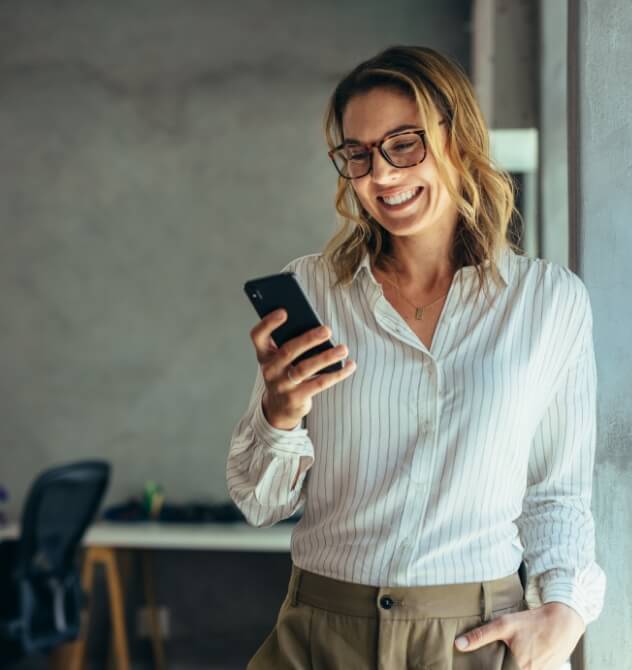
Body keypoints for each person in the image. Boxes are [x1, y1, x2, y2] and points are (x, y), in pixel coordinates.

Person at [227, 45, 605, 670]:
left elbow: (557, 493)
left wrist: (563, 614)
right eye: (358, 154)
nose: (380, 175)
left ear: (459, 140)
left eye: (405, 144)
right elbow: (259, 503)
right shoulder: (316, 291)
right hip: (322, 633)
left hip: (472, 639)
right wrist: (280, 413)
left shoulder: (548, 302)